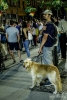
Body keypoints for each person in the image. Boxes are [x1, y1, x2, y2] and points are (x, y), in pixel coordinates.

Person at [38, 9, 56, 86]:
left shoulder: (49, 25)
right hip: (49, 45)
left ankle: (52, 80)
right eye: (44, 14)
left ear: (49, 15)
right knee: (49, 61)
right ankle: (52, 77)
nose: (44, 15)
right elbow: (41, 32)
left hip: (47, 46)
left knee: (48, 63)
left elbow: (44, 38)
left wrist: (40, 47)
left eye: (45, 14)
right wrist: (43, 29)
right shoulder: (49, 24)